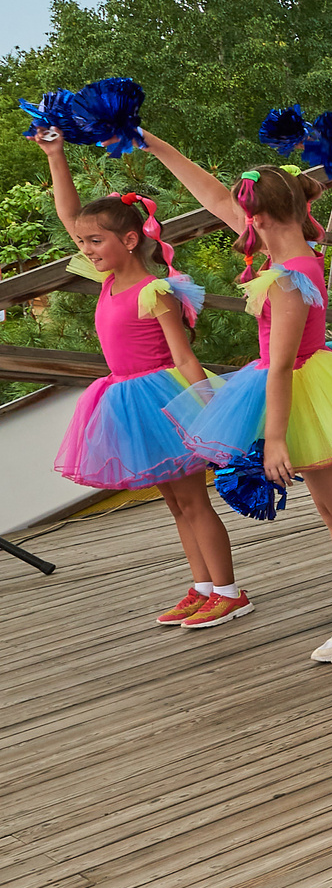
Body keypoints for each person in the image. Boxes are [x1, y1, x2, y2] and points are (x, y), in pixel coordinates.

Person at [151, 134, 332, 665]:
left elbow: (281, 365)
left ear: (261, 217)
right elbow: (212, 196)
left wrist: (274, 437)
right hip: (297, 391)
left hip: (307, 390)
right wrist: (154, 145)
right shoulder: (279, 252)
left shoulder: (290, 275)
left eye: (246, 212)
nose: (239, 220)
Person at [34, 129, 244, 627]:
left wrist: (208, 406)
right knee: (174, 501)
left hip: (166, 398)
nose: (85, 248)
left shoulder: (155, 291)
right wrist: (55, 155)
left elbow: (184, 357)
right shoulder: (105, 278)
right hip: (125, 398)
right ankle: (202, 585)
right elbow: (70, 215)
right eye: (83, 242)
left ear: (129, 240)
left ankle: (230, 591)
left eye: (95, 240)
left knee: (193, 500)